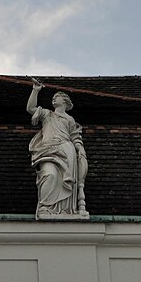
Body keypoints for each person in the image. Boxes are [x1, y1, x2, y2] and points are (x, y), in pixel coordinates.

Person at [27, 78, 88, 219]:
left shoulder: (70, 120)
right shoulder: (48, 114)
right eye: (53, 98)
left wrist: (80, 149)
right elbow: (30, 108)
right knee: (50, 174)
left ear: (65, 102)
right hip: (47, 150)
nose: (54, 99)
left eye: (57, 97)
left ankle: (65, 211)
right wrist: (35, 91)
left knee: (64, 181)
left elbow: (75, 137)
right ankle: (45, 207)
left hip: (66, 151)